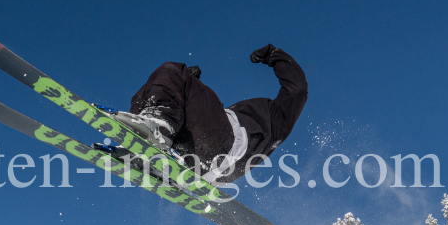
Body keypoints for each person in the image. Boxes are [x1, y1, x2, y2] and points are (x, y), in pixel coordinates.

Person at [113, 44, 308, 184]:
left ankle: (155, 129)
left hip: (222, 150)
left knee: (172, 70)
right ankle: (148, 138)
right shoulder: (234, 118)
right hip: (196, 158)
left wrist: (276, 55)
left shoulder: (276, 119)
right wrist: (185, 88)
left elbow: (298, 90)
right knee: (152, 89)